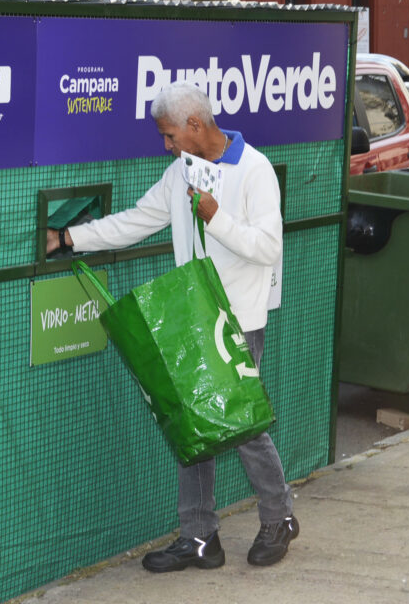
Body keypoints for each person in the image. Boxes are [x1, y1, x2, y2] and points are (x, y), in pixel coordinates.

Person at [45, 83, 298, 572]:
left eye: (169, 135)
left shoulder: (255, 170)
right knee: (191, 423)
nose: (166, 145)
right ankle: (199, 537)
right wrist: (70, 237)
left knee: (240, 426)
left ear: (196, 126)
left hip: (237, 323)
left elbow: (268, 248)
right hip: (192, 320)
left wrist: (215, 217)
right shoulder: (181, 171)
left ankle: (279, 516)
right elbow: (140, 219)